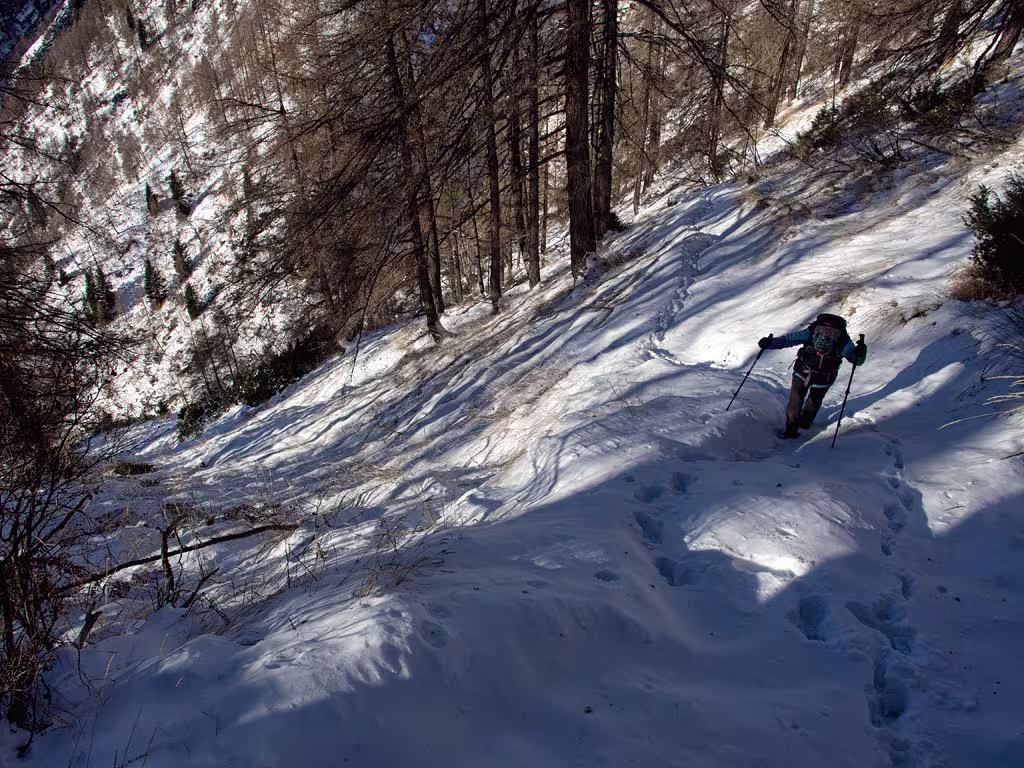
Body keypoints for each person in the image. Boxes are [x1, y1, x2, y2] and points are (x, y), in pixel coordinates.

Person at [758, 313, 867, 438]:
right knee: (814, 402)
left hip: (802, 372)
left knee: (796, 400)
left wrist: (770, 343)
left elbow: (789, 340)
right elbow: (857, 360)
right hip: (825, 377)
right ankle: (805, 423)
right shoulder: (843, 340)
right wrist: (861, 351)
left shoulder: (811, 331)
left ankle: (791, 431)